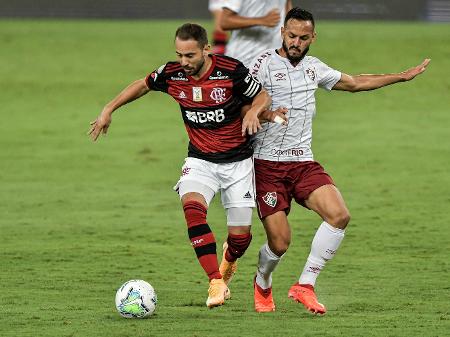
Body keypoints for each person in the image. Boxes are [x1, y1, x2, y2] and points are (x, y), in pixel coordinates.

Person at [247, 8, 430, 314]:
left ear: (312, 38)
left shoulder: (315, 68)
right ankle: (263, 281)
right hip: (266, 165)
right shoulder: (263, 64)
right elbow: (242, 101)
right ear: (282, 32)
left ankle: (304, 285)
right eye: (292, 36)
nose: (296, 42)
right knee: (280, 244)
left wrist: (401, 76)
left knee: (339, 215)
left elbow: (356, 82)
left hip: (303, 163)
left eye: (304, 38)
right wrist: (256, 113)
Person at [88, 23, 274, 308]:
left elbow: (261, 95)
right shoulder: (172, 73)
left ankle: (229, 259)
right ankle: (215, 282)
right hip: (199, 160)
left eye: (190, 55)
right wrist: (108, 109)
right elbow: (142, 84)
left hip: (237, 163)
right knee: (192, 210)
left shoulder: (230, 70)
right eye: (180, 55)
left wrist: (255, 113)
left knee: (240, 238)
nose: (184, 62)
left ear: (206, 49)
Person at [220, 0, 293, 67]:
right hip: (244, 59)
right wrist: (262, 20)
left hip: (275, 59)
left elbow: (287, 8)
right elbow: (225, 21)